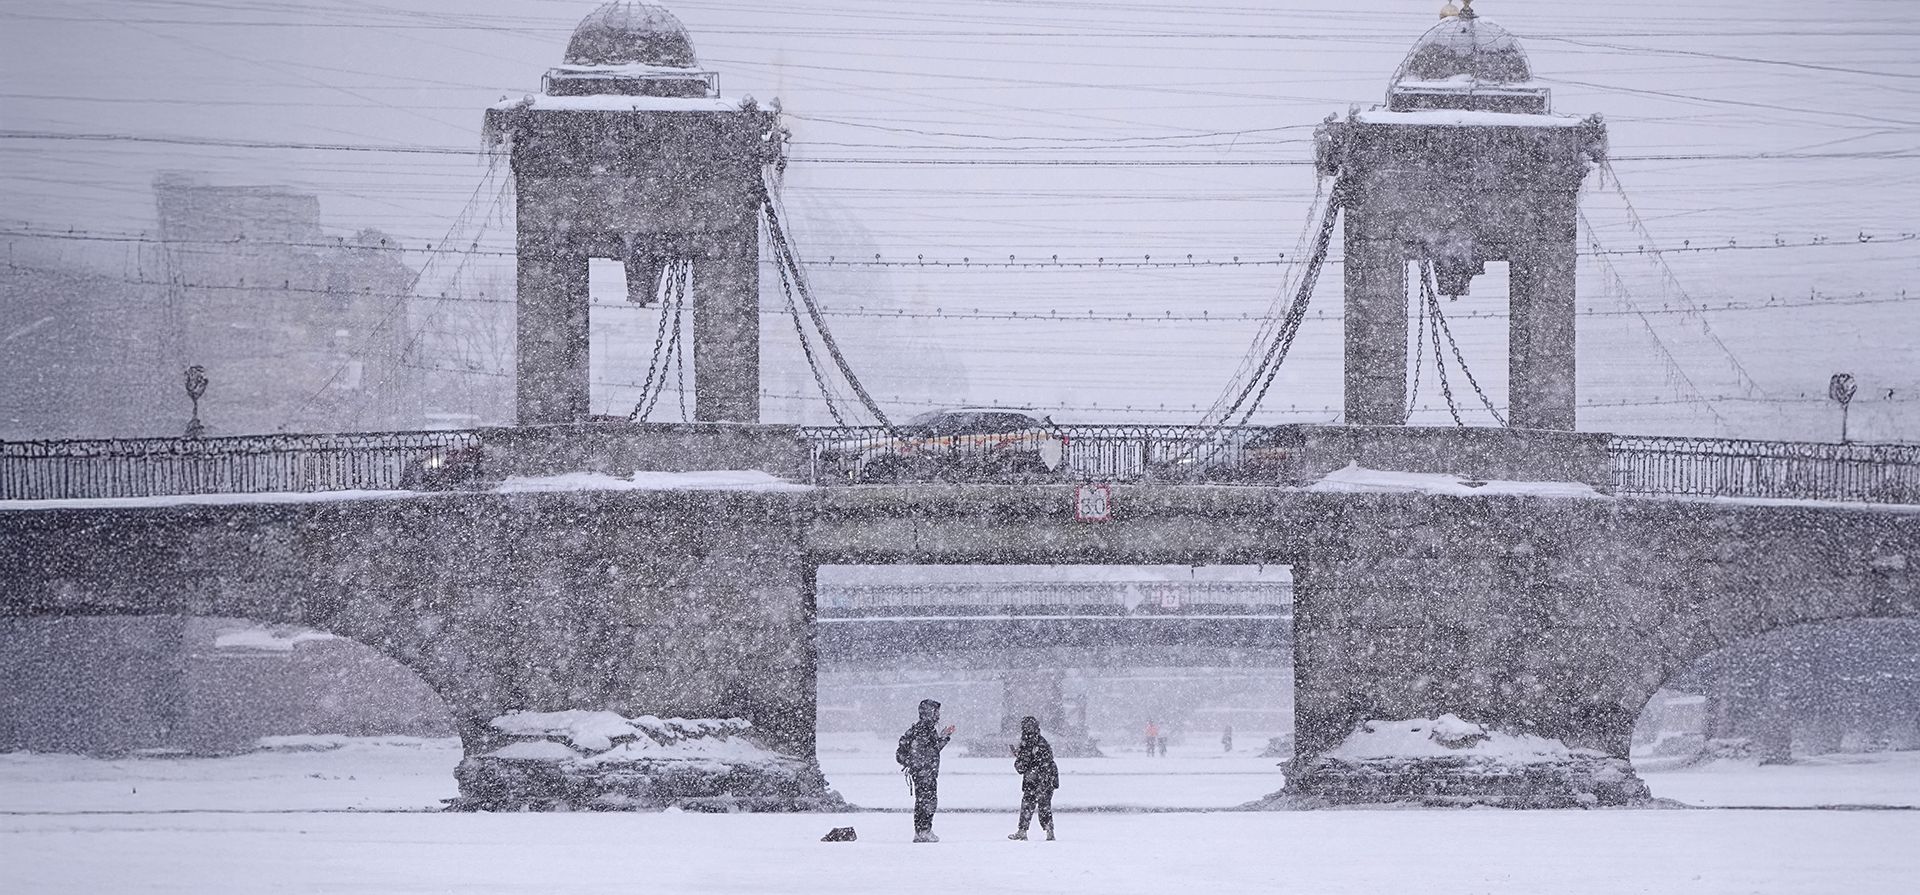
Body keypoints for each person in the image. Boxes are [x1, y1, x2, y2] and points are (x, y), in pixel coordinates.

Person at [896, 699, 954, 843]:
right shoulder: (924, 730)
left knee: (923, 801)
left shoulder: (922, 729)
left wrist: (944, 738)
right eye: (936, 712)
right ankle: (924, 831)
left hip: (924, 772)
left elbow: (931, 750)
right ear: (929, 713)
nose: (938, 716)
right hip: (925, 773)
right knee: (927, 802)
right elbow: (927, 752)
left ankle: (922, 831)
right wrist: (921, 766)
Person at [1008, 716, 1059, 841]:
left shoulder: (1027, 742)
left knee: (1027, 805)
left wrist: (1017, 758)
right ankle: (1049, 831)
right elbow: (1049, 760)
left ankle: (1022, 831)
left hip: (1033, 779)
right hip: (1047, 779)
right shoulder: (1043, 741)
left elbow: (1022, 766)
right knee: (1045, 806)